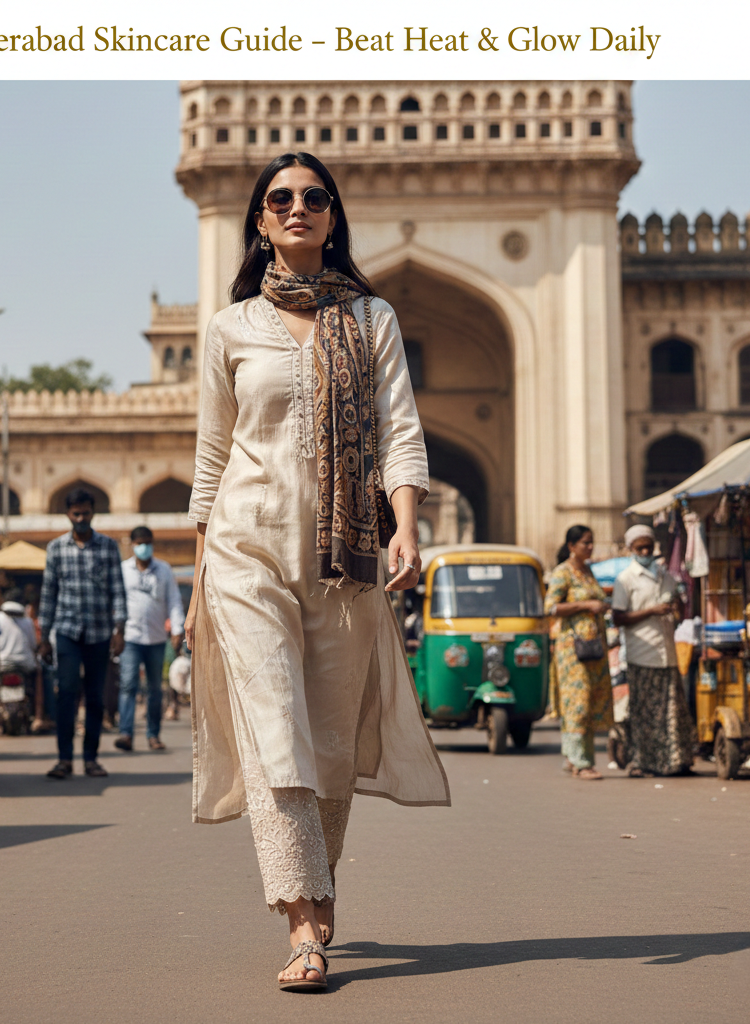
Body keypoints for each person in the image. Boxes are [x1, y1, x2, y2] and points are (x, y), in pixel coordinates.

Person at [184, 152, 450, 992]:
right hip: (246, 547)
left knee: (330, 739)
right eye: (279, 199)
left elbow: (400, 430)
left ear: (333, 217)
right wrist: (198, 572)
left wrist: (406, 526)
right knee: (276, 727)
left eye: (312, 197)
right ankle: (301, 917)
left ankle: (316, 873)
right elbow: (211, 459)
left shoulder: (372, 319)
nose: (296, 207)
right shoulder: (230, 329)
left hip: (345, 559)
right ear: (260, 222)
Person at [38, 487, 127, 779]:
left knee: (95, 698)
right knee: (66, 694)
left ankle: (91, 758)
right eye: (76, 514)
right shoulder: (56, 548)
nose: (80, 519)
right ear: (68, 514)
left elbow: (117, 591)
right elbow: (48, 594)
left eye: (85, 513)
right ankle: (64, 759)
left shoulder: (108, 547)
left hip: (99, 632)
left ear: (92, 513)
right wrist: (44, 637)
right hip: (67, 631)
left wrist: (120, 630)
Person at [612, 524, 695, 777]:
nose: (645, 552)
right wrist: (650, 611)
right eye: (640, 548)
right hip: (641, 654)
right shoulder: (625, 579)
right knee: (644, 713)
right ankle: (642, 762)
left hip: (667, 653)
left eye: (648, 547)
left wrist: (677, 606)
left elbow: (680, 611)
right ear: (631, 549)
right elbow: (618, 617)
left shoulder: (665, 576)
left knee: (671, 711)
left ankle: (673, 760)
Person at [544, 524, 613, 780]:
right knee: (578, 703)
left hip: (594, 647)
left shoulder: (588, 571)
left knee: (590, 702)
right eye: (586, 542)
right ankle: (581, 762)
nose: (591, 547)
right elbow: (551, 607)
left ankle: (573, 756)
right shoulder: (563, 572)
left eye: (592, 542)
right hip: (573, 650)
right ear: (572, 546)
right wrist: (586, 605)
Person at [115, 525, 185, 752]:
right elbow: (116, 602)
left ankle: (153, 735)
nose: (143, 547)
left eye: (147, 543)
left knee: (155, 688)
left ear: (152, 544)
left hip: (156, 638)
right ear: (132, 545)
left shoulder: (163, 570)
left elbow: (174, 600)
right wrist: (115, 632)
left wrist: (177, 629)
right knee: (128, 685)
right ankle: (126, 733)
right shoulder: (123, 570)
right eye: (139, 543)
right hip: (130, 637)